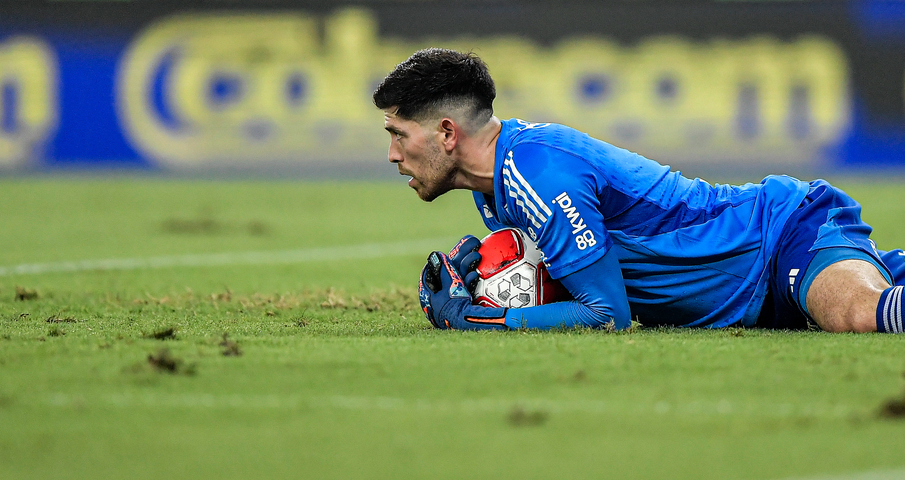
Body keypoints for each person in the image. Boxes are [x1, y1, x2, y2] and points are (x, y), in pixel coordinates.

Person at [371, 47, 905, 333]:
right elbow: (571, 275)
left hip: (779, 236)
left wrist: (487, 319)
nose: (394, 154)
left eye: (399, 135)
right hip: (760, 295)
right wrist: (494, 275)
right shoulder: (498, 186)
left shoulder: (539, 174)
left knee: (858, 314)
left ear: (446, 132)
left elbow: (607, 315)